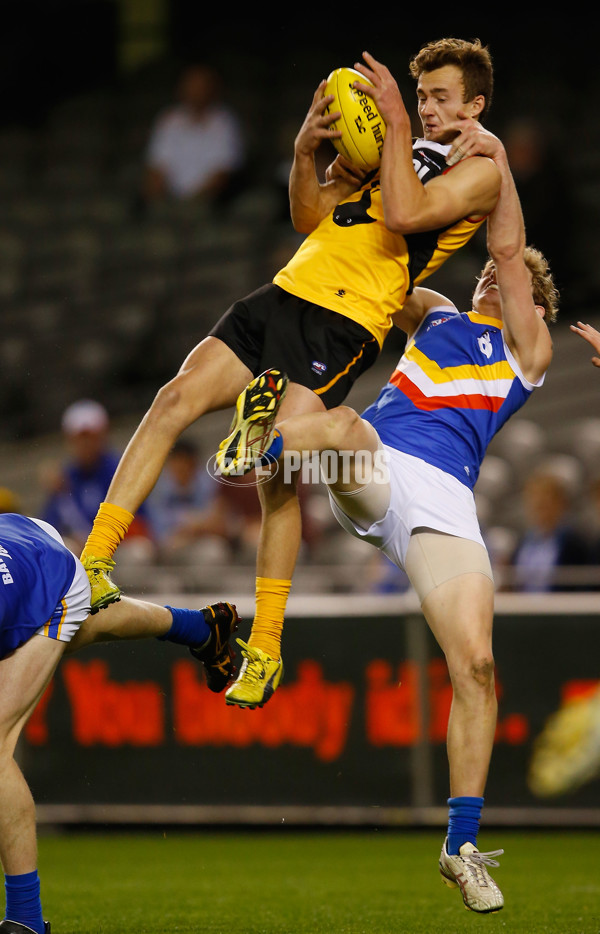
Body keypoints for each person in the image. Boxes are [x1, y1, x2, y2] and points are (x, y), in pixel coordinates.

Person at [80, 40, 501, 712]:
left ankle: (266, 646)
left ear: (476, 104)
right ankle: (96, 564)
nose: (426, 108)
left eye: (441, 97)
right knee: (174, 398)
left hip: (348, 319)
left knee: (277, 468)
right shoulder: (388, 150)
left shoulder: (480, 169)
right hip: (287, 291)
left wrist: (390, 124)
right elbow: (311, 217)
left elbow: (407, 215)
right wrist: (308, 153)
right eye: (421, 96)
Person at [218, 121, 557, 911]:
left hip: (444, 501)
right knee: (336, 423)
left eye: (511, 289)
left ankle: (460, 845)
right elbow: (364, 267)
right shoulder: (437, 314)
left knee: (476, 665)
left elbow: (512, 259)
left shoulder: (525, 354)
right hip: (374, 465)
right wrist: (340, 177)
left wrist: (493, 169)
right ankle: (260, 444)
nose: (490, 286)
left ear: (533, 306)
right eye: (487, 282)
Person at [0, 511, 239, 934]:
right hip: (21, 536)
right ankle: (200, 628)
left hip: (45, 573)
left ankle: (26, 919)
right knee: (87, 627)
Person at [39, 400, 151, 557]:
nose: (85, 444)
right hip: (82, 551)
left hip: (118, 548)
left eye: (90, 437)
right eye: (79, 438)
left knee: (138, 551)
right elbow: (49, 526)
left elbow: (139, 524)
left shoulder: (120, 469)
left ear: (103, 435)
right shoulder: (63, 478)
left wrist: (92, 540)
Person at [141, 62, 247, 207]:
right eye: (190, 84)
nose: (195, 90)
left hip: (208, 203)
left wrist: (192, 203)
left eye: (200, 85)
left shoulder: (225, 122)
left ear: (212, 88)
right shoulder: (169, 119)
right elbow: (157, 168)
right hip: (170, 200)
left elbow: (222, 175)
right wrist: (162, 201)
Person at [509, 467, 589, 592]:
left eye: (545, 503)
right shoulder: (524, 542)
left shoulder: (574, 544)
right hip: (525, 607)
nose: (539, 509)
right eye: (535, 502)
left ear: (560, 504)